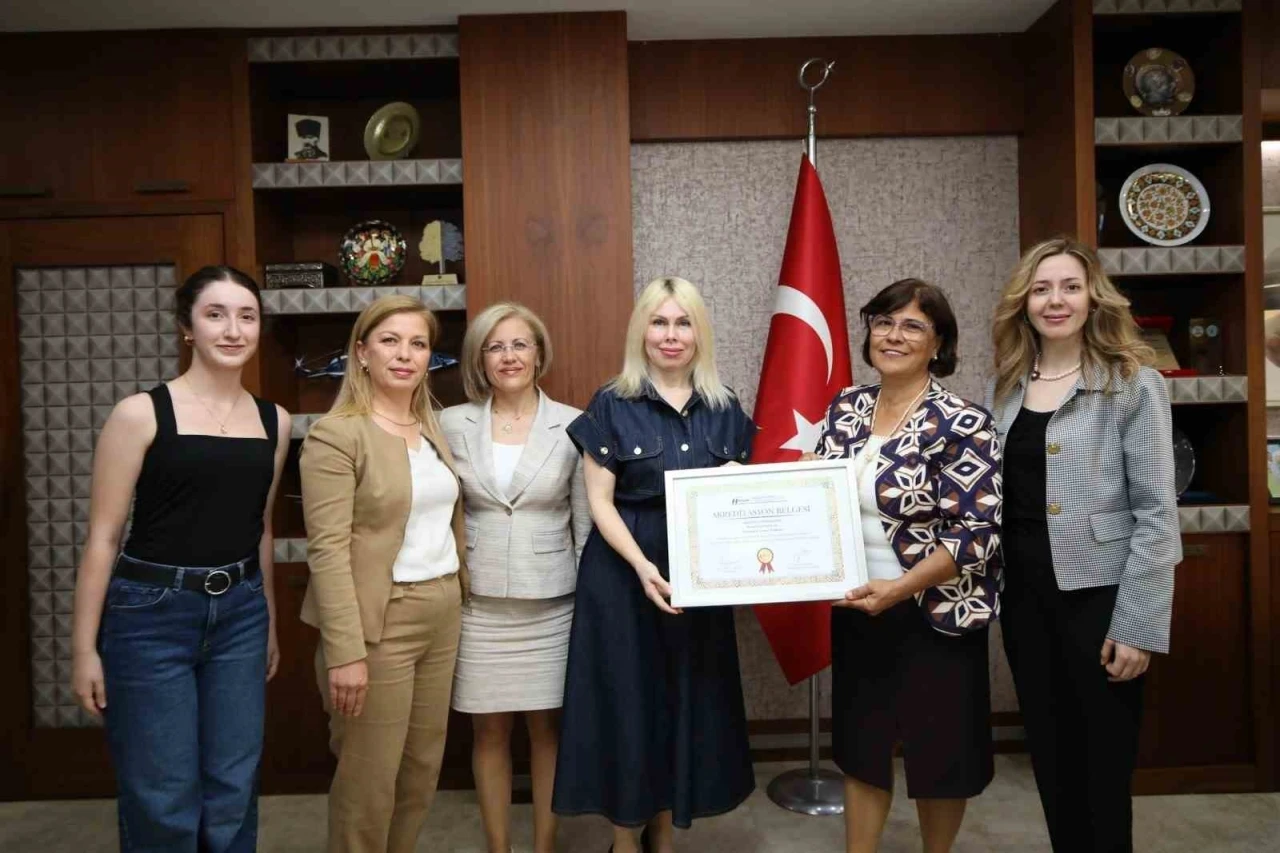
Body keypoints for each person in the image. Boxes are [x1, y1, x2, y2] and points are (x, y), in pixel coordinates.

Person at [69, 265, 289, 852]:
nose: (233, 330)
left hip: (241, 614)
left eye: (246, 316)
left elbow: (261, 529)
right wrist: (85, 649)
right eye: (215, 314)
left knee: (232, 785)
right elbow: (103, 537)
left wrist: (267, 620)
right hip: (150, 615)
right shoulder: (140, 413)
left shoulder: (275, 421)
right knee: (163, 793)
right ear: (187, 326)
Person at [988, 238, 1179, 853]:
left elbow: (1157, 514)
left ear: (1093, 297)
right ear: (1024, 302)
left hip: (1100, 601)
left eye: (1070, 286)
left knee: (1103, 764)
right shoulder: (1007, 386)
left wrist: (1138, 628)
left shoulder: (1134, 384)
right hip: (1024, 600)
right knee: (1051, 757)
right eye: (1041, 288)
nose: (1056, 300)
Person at [552, 277, 756, 853]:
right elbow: (599, 503)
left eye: (683, 323)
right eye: (659, 322)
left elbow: (742, 498)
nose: (671, 335)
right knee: (628, 706)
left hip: (699, 578)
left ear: (699, 333)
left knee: (681, 703)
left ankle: (661, 837)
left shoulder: (725, 406)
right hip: (623, 574)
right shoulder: (611, 402)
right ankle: (624, 841)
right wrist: (643, 567)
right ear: (641, 331)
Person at [815, 278, 1002, 853]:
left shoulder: (963, 421)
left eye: (912, 326)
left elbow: (976, 534)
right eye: (883, 322)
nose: (893, 335)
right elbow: (814, 496)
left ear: (938, 342)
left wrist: (898, 589)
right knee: (861, 748)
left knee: (941, 755)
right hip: (857, 606)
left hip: (936, 611)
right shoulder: (846, 408)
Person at [299, 295, 469, 853]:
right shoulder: (336, 435)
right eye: (390, 341)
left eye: (418, 344)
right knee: (369, 782)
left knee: (420, 771)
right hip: (380, 622)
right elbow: (327, 552)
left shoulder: (430, 427)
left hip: (441, 613)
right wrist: (345, 652)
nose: (404, 354)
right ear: (362, 352)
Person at [440, 302, 591, 853]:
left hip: (552, 602)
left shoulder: (574, 424)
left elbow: (585, 523)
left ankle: (544, 846)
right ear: (480, 358)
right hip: (477, 603)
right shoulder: (451, 423)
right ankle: (498, 847)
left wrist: (592, 602)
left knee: (547, 730)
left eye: (520, 344)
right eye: (495, 346)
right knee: (488, 730)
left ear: (539, 353)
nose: (509, 356)